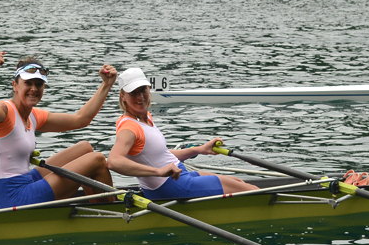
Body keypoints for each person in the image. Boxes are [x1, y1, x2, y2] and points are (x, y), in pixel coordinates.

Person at [0, 51, 118, 208]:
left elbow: (81, 119)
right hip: (12, 198)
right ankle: (110, 213)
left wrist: (106, 85)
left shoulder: (32, 116)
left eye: (38, 84)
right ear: (15, 85)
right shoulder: (4, 111)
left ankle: (96, 203)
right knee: (97, 160)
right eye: (28, 83)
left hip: (26, 181)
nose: (34, 89)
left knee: (85, 148)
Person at [106, 67, 259, 200]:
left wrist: (199, 149)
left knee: (239, 182)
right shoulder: (129, 128)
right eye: (133, 93)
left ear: (148, 89)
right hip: (171, 186)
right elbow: (114, 161)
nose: (140, 97)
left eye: (142, 90)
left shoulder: (144, 119)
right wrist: (158, 172)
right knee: (252, 191)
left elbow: (159, 155)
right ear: (123, 96)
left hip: (179, 177)